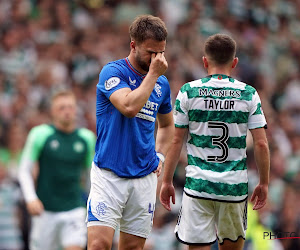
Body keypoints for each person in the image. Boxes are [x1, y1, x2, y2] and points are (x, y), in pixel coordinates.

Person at [160, 34, 270, 250]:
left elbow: (175, 141)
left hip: (198, 187)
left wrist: (166, 181)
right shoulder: (248, 94)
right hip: (233, 188)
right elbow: (261, 144)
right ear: (234, 62)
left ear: (204, 61)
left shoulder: (188, 91)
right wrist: (264, 183)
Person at [87, 15, 174, 250]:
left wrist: (161, 156)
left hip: (144, 177)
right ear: (133, 45)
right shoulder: (112, 72)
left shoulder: (162, 85)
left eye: (161, 52)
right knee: (98, 245)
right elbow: (128, 107)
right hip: (109, 175)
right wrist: (153, 75)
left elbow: (167, 125)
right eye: (150, 52)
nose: (157, 59)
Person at [18, 90, 96, 250]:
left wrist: (92, 201)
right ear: (53, 112)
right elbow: (24, 170)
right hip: (45, 212)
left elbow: (92, 175)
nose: (67, 111)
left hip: (74, 209)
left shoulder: (87, 138)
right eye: (61, 108)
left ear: (76, 110)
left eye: (70, 107)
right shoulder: (40, 135)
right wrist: (30, 198)